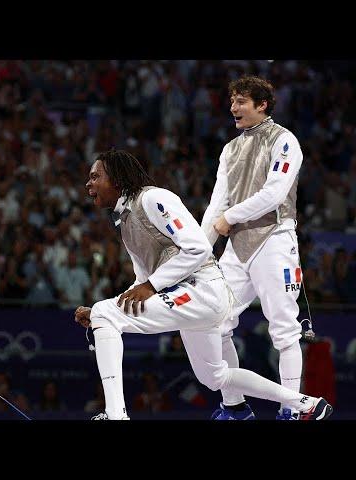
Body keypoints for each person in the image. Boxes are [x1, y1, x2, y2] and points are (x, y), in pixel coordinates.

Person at [75, 149, 332, 421]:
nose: (89, 184)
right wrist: (106, 311)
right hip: (190, 297)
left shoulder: (153, 199)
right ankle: (307, 403)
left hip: (202, 290)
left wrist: (128, 300)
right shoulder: (125, 221)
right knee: (215, 376)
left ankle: (116, 415)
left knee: (106, 312)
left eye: (95, 177)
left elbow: (197, 248)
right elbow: (142, 281)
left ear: (116, 178)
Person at [201, 76, 306, 420]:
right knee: (215, 324)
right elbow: (216, 206)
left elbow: (275, 193)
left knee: (285, 330)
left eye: (242, 101)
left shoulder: (284, 140)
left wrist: (229, 217)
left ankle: (290, 410)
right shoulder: (229, 149)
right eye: (232, 101)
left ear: (262, 105)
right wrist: (198, 255)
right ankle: (234, 407)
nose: (233, 108)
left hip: (274, 239)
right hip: (236, 247)